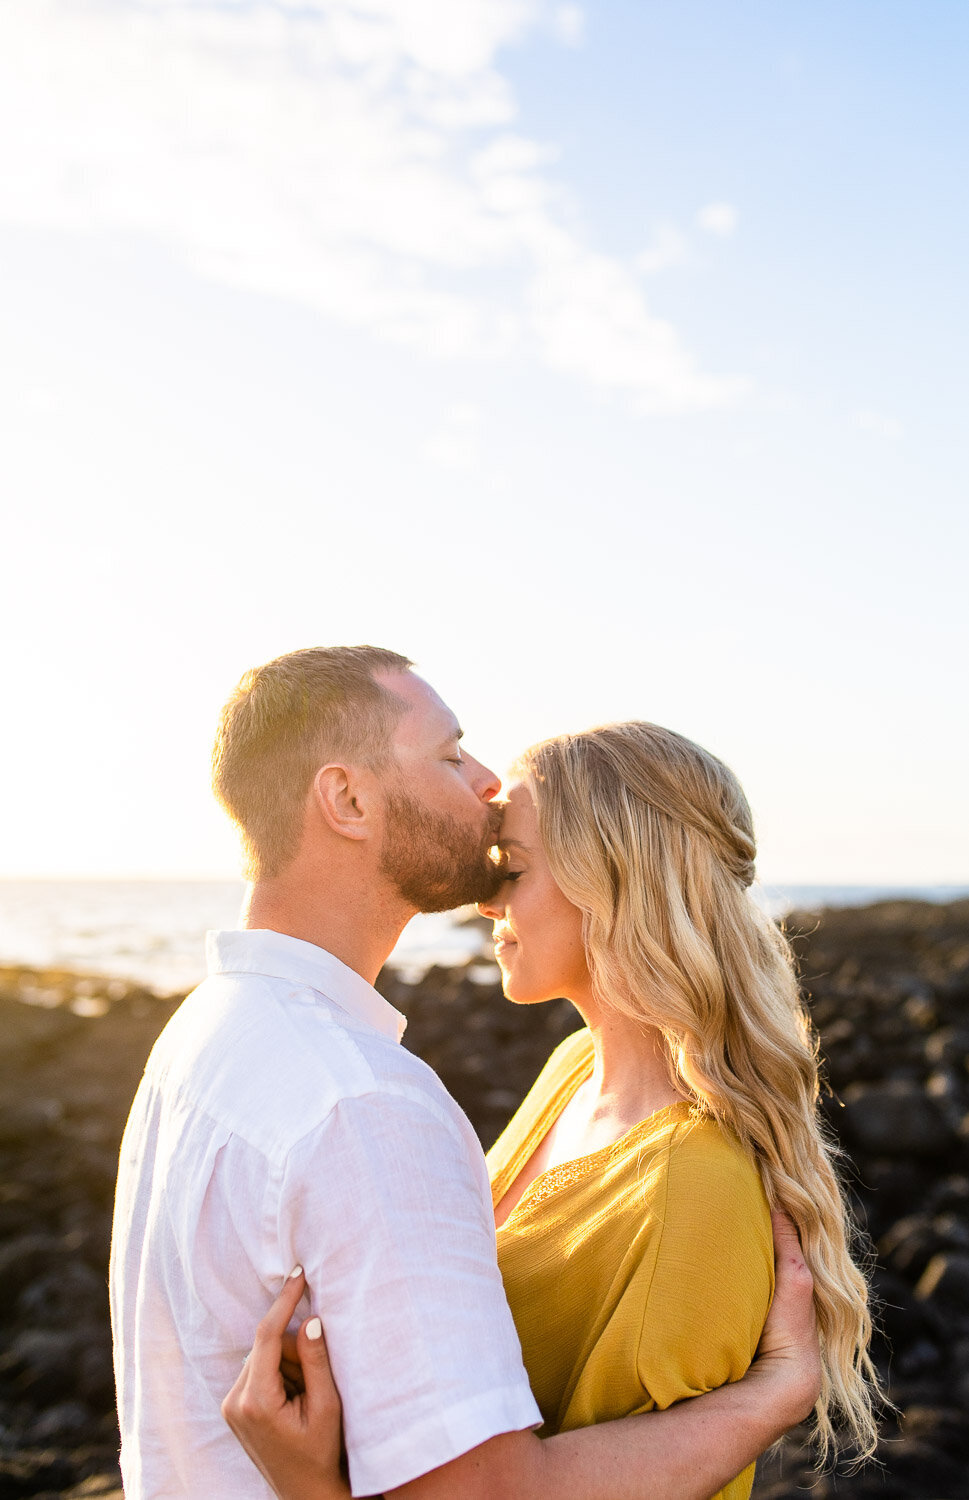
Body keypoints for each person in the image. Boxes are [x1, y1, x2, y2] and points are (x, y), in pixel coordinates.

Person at [110, 646, 820, 1500]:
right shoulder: (374, 1103)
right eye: (449, 755)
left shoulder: (207, 1034)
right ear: (346, 798)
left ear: (617, 879)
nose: (481, 785)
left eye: (513, 867)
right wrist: (772, 1399)